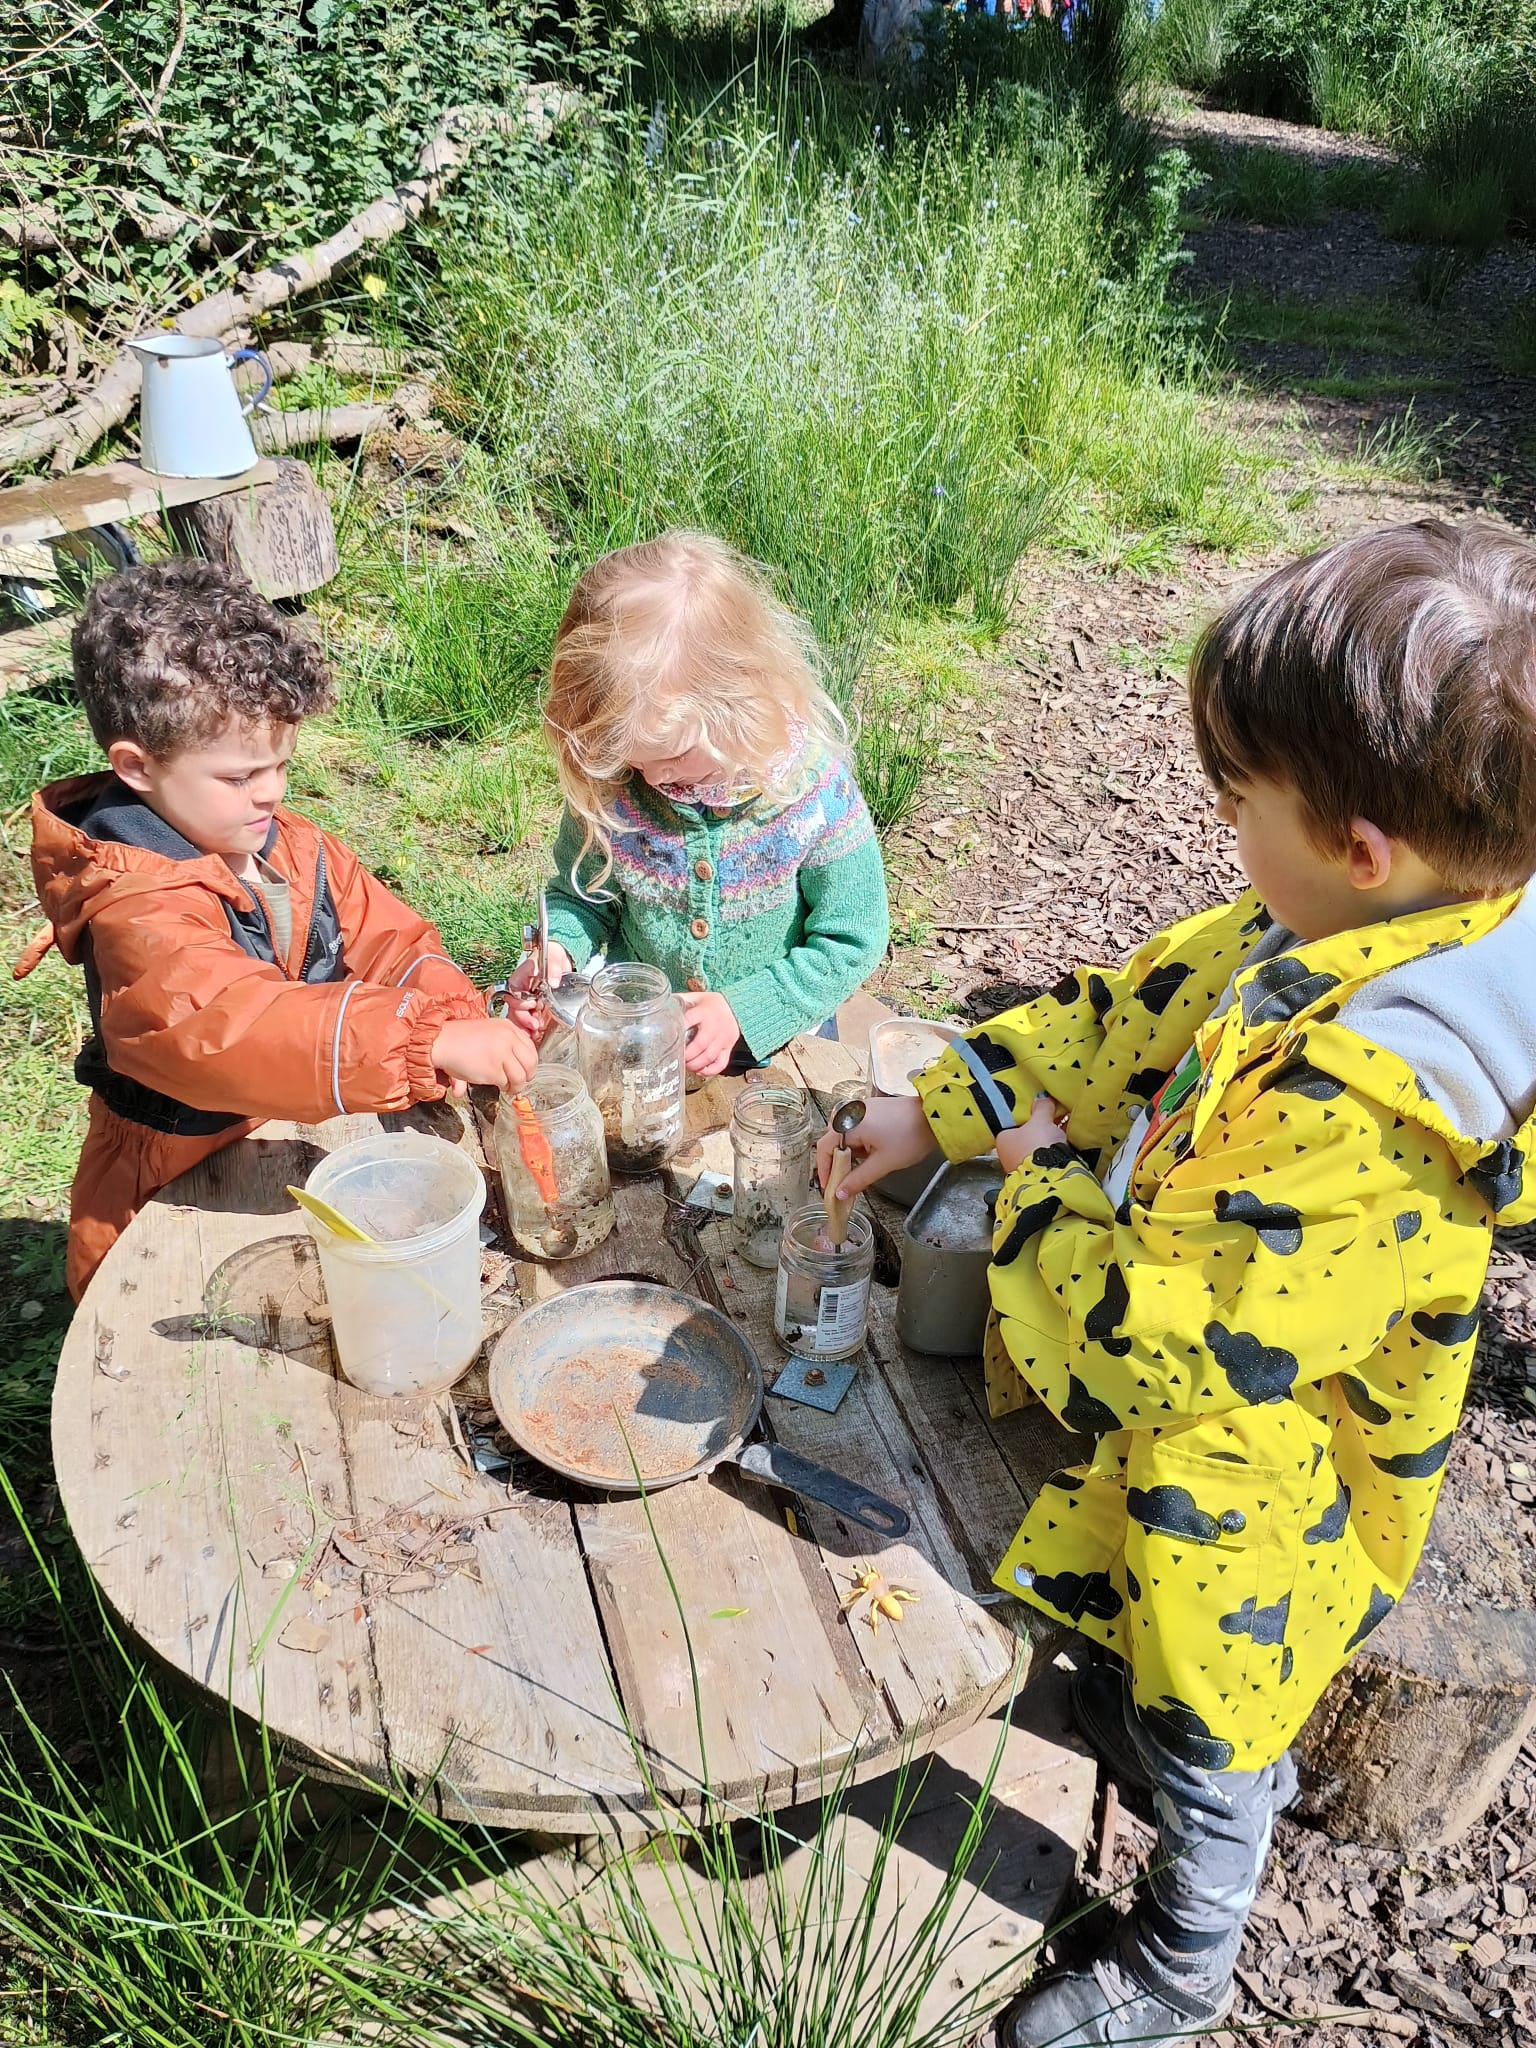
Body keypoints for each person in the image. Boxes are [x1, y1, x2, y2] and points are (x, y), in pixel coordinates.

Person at [818, 518, 1536, 2046]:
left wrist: (1034, 1190)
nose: (1222, 836)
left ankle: (1183, 1957)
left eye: (1236, 803)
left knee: (1221, 1722)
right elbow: (1121, 1017)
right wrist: (938, 1104)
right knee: (1149, 1652)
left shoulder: (1381, 1113)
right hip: (1196, 1441)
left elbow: (1152, 1350)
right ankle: (1133, 1723)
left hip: (1265, 1503)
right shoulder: (1329, 925)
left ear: (1359, 848)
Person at [20, 559, 538, 1301]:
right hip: (178, 1174)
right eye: (240, 776)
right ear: (136, 766)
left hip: (299, 1129)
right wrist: (420, 1043)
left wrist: (450, 1012)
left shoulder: (281, 843)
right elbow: (232, 1026)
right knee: (195, 1349)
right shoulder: (133, 904)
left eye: (281, 765)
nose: (272, 792)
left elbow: (389, 941)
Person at [516, 531, 890, 1074]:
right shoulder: (621, 784)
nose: (653, 775)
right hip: (641, 1031)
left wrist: (747, 1010)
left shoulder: (810, 796)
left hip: (782, 1041)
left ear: (736, 704)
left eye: (672, 755)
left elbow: (852, 938)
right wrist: (559, 951)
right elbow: (582, 897)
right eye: (634, 758)